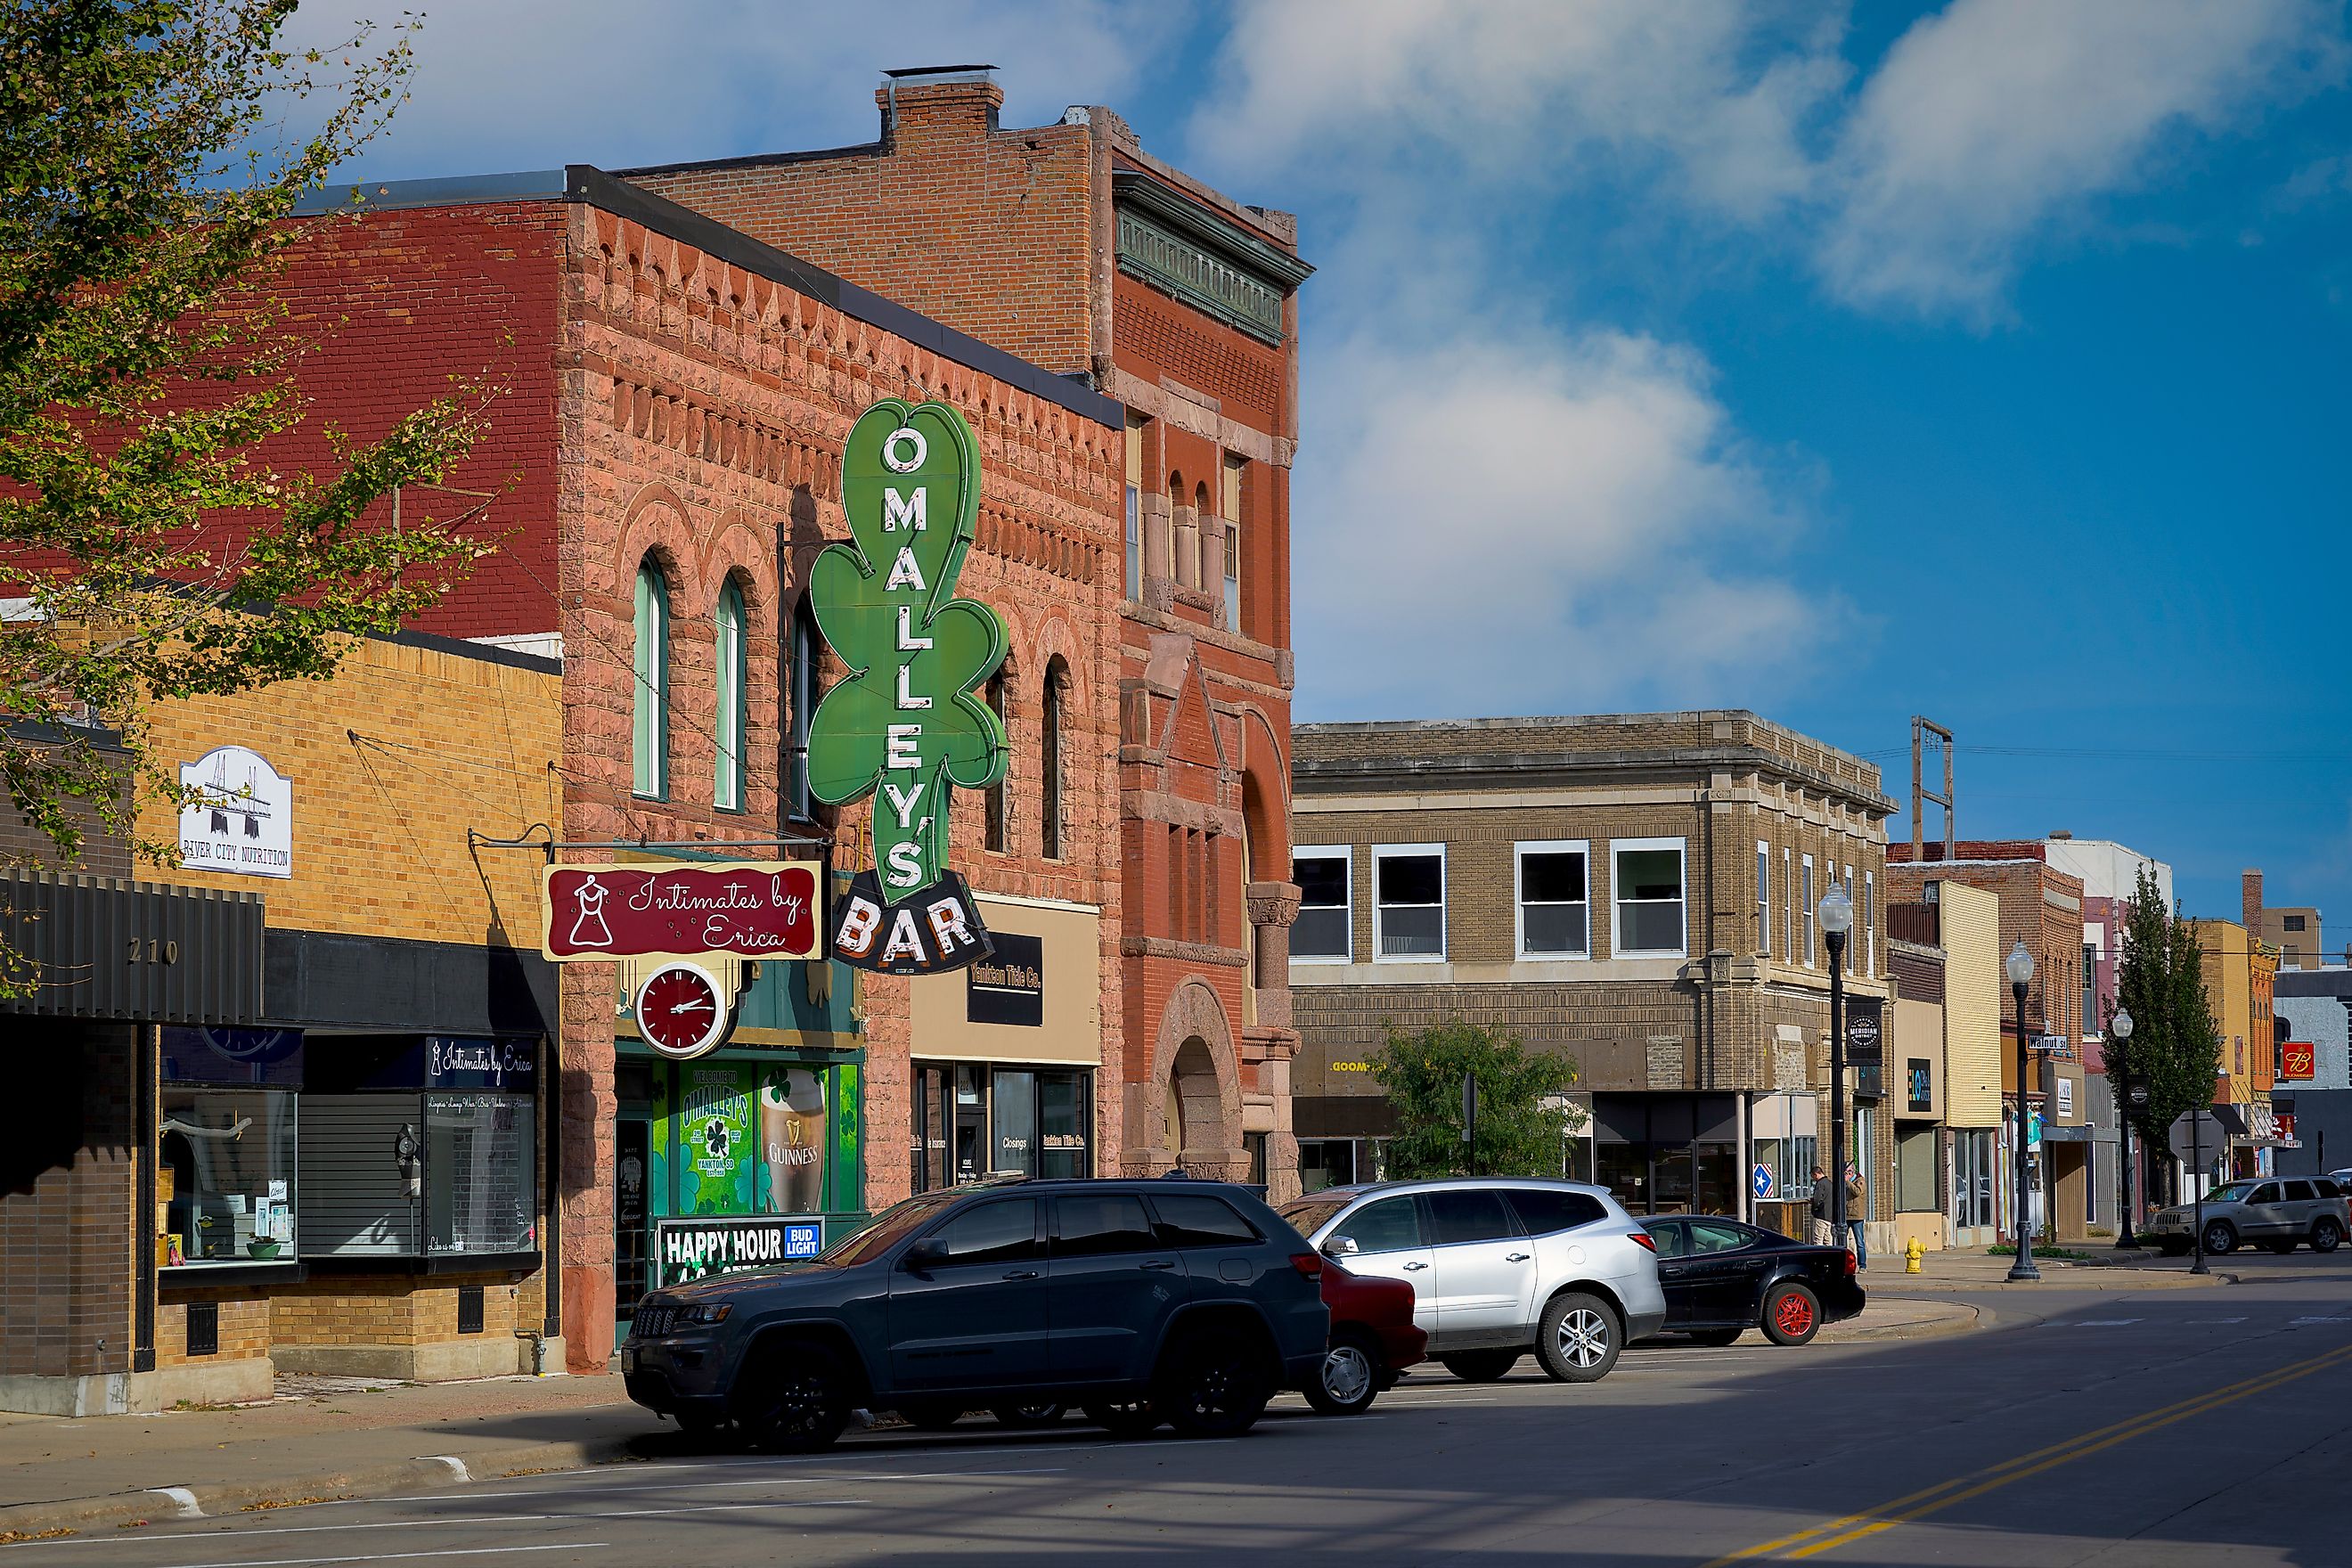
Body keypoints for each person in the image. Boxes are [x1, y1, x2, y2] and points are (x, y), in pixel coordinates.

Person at [1844, 1164, 1869, 1270]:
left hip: (1856, 1216)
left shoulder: (1860, 1180)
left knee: (1859, 1242)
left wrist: (1848, 1181)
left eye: (1848, 1172)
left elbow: (1857, 1192)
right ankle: (1844, 1264)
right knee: (1841, 1241)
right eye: (1845, 1172)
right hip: (1845, 1215)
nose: (1846, 1174)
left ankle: (1862, 1265)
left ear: (1852, 1172)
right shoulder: (1845, 1182)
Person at [1809, 1166, 1836, 1247]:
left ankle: (1819, 1258)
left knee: (1818, 1239)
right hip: (1829, 1216)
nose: (1813, 1179)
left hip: (1821, 1215)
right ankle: (1830, 1258)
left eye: (1813, 1177)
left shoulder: (1820, 1184)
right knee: (1828, 1240)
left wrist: (1814, 1209)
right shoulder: (1829, 1183)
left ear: (1816, 1174)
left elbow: (1817, 1199)